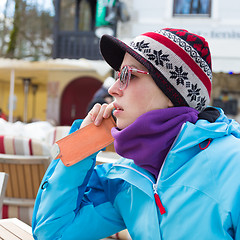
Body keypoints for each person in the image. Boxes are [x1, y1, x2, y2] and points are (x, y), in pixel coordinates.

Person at [32, 28, 240, 239]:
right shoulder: (126, 178)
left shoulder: (232, 167)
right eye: (117, 76)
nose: (113, 88)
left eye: (128, 75)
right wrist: (83, 143)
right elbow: (53, 233)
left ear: (172, 93)